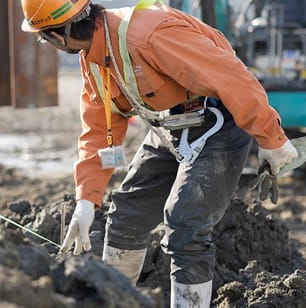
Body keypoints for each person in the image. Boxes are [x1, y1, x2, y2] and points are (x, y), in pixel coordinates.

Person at [20, 0, 299, 306]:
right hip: (171, 125)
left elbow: (232, 77)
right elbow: (99, 129)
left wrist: (271, 139)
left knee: (185, 223)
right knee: (127, 213)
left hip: (219, 125)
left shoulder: (149, 35)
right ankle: (114, 300)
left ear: (58, 37)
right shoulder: (95, 58)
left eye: (43, 38)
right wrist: (87, 199)